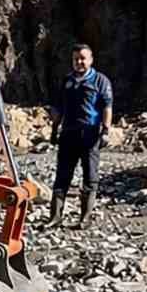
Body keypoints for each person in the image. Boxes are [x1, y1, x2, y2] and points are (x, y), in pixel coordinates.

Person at [48, 43, 113, 227]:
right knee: (62, 176)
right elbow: (58, 107)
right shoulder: (66, 81)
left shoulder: (100, 81)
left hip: (90, 134)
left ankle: (85, 219)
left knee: (90, 177)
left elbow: (107, 107)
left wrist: (106, 131)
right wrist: (54, 129)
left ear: (91, 59)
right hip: (68, 134)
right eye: (76, 59)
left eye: (83, 58)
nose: (79, 62)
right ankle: (55, 217)